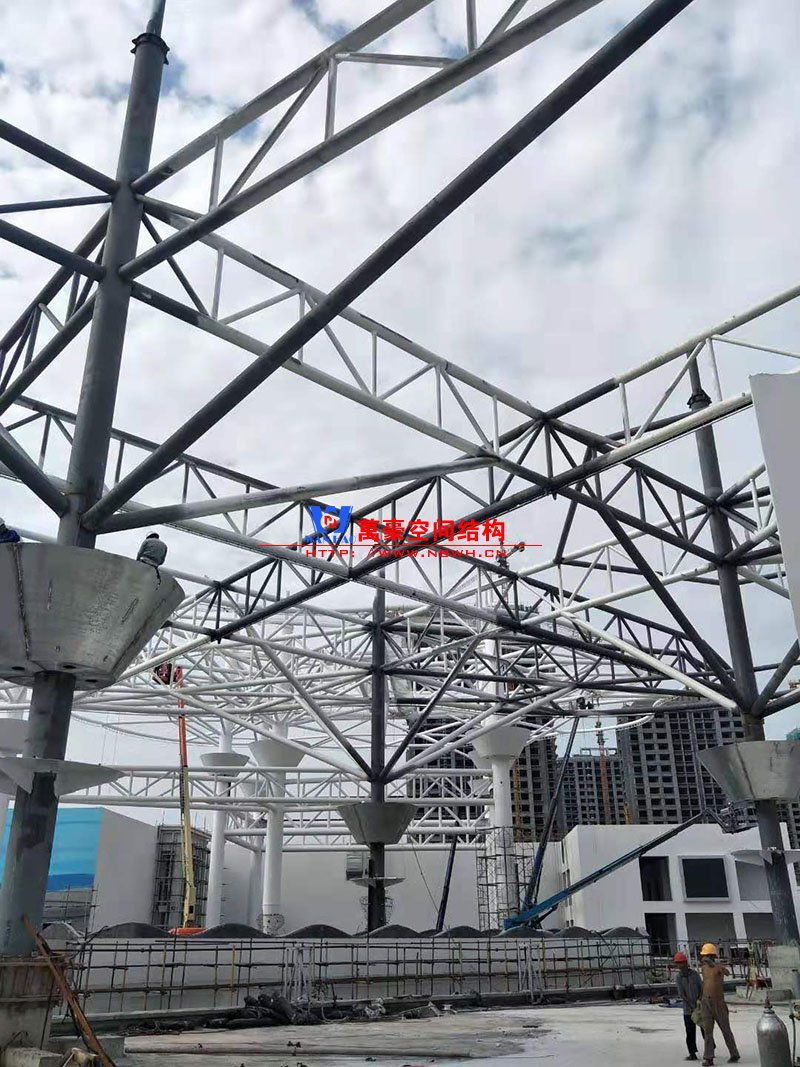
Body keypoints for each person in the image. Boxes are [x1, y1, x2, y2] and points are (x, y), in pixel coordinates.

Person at [699, 943, 739, 1065]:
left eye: (706, 956)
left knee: (725, 1029)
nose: (703, 959)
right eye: (703, 956)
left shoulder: (718, 968)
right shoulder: (703, 968)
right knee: (708, 1031)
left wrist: (718, 966)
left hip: (718, 1001)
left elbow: (727, 973)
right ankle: (708, 1057)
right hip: (705, 1001)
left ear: (712, 956)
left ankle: (734, 1053)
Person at [674, 951, 703, 1061]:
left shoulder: (694, 974)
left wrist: (699, 1000)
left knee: (705, 1029)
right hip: (688, 1009)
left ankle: (710, 1049)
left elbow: (701, 988)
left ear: (686, 963)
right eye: (678, 963)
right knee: (690, 1032)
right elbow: (682, 994)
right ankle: (692, 1053)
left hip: (700, 1007)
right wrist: (691, 1005)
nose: (680, 965)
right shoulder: (679, 977)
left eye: (682, 963)